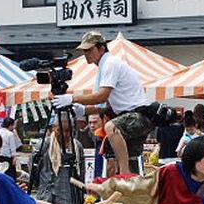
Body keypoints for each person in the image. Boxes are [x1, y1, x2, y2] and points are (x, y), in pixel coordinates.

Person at [52, 31, 152, 175]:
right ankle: (129, 179)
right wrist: (84, 110)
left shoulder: (110, 63)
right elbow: (102, 106)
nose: (86, 54)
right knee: (119, 156)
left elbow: (102, 97)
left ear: (102, 48)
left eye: (89, 50)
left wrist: (73, 98)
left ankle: (124, 174)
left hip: (139, 115)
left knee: (111, 127)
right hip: (131, 117)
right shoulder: (104, 66)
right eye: (84, 51)